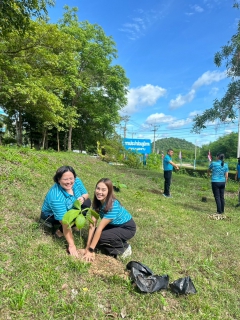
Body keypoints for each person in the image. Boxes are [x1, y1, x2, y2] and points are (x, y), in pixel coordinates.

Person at [40, 166, 91, 257]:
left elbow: (86, 194)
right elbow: (64, 221)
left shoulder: (76, 181)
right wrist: (72, 245)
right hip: (50, 216)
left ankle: (70, 226)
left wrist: (83, 198)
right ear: (58, 180)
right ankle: (58, 231)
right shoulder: (56, 197)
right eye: (65, 179)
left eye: (71, 178)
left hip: (70, 209)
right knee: (66, 223)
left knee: (87, 202)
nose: (69, 182)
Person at [81, 178, 136, 262]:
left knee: (102, 237)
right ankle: (114, 239)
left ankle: (124, 248)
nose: (99, 192)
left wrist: (91, 250)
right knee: (95, 236)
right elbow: (92, 225)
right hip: (113, 225)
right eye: (98, 188)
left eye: (103, 190)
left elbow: (99, 229)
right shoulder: (97, 202)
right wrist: (87, 247)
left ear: (109, 192)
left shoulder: (113, 206)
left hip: (127, 228)